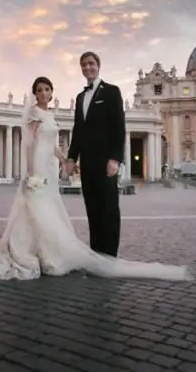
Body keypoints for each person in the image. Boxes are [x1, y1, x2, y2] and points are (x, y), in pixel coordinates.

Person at [0, 75, 191, 281]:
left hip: (49, 166)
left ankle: (48, 252)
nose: (44, 93)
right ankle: (34, 253)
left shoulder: (49, 114)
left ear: (51, 93)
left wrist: (66, 161)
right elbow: (31, 144)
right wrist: (31, 173)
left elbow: (53, 143)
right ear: (35, 94)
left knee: (47, 210)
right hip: (38, 168)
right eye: (40, 90)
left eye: (47, 89)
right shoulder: (34, 113)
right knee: (35, 210)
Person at [64, 51, 123, 257]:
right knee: (92, 209)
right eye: (83, 65)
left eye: (91, 63)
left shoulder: (112, 92)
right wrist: (72, 157)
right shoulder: (81, 97)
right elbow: (78, 130)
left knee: (109, 209)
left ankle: (110, 256)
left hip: (106, 161)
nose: (87, 68)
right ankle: (96, 252)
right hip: (87, 162)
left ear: (98, 65)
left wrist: (116, 158)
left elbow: (118, 127)